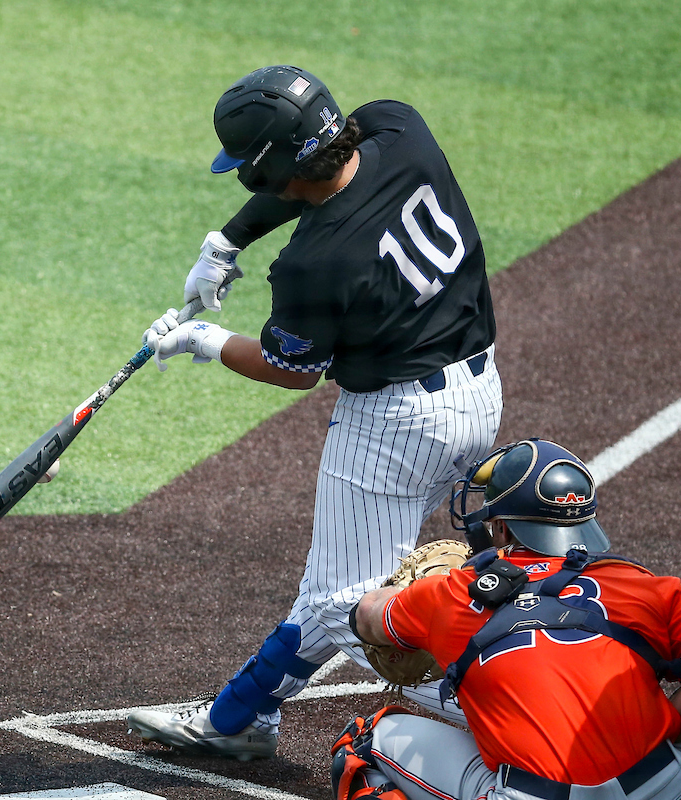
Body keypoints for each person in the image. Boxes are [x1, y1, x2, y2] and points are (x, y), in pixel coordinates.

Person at [127, 65, 502, 759]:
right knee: (335, 588)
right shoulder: (402, 127)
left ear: (268, 170)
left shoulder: (314, 264)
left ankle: (535, 697)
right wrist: (228, 240)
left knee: (345, 607)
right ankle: (236, 718)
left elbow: (293, 370)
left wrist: (204, 340)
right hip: (478, 397)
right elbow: (319, 177)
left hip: (395, 427)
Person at [342, 437, 681, 799]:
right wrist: (666, 729)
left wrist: (414, 593)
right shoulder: (647, 586)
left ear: (500, 528)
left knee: (361, 743)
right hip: (665, 788)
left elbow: (365, 617)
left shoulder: (451, 594)